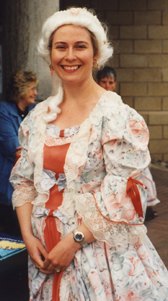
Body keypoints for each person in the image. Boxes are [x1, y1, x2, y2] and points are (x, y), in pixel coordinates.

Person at [10, 7, 168, 301]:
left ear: (96, 55)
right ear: (50, 56)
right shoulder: (36, 118)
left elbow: (126, 194)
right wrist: (28, 237)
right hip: (44, 254)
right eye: (61, 47)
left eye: (80, 46)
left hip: (100, 257)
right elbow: (24, 183)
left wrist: (73, 241)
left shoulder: (116, 116)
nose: (70, 56)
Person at [97, 66, 160, 221]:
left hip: (121, 142)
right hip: (103, 142)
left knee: (138, 171)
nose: (107, 86)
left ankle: (145, 204)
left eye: (110, 82)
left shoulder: (119, 103)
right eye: (103, 82)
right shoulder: (96, 101)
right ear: (97, 83)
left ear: (115, 84)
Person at [0, 70, 37, 235]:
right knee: (13, 236)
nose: (36, 93)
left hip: (32, 187)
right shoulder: (3, 112)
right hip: (9, 186)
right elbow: (14, 150)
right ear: (21, 90)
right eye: (32, 88)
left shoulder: (35, 111)